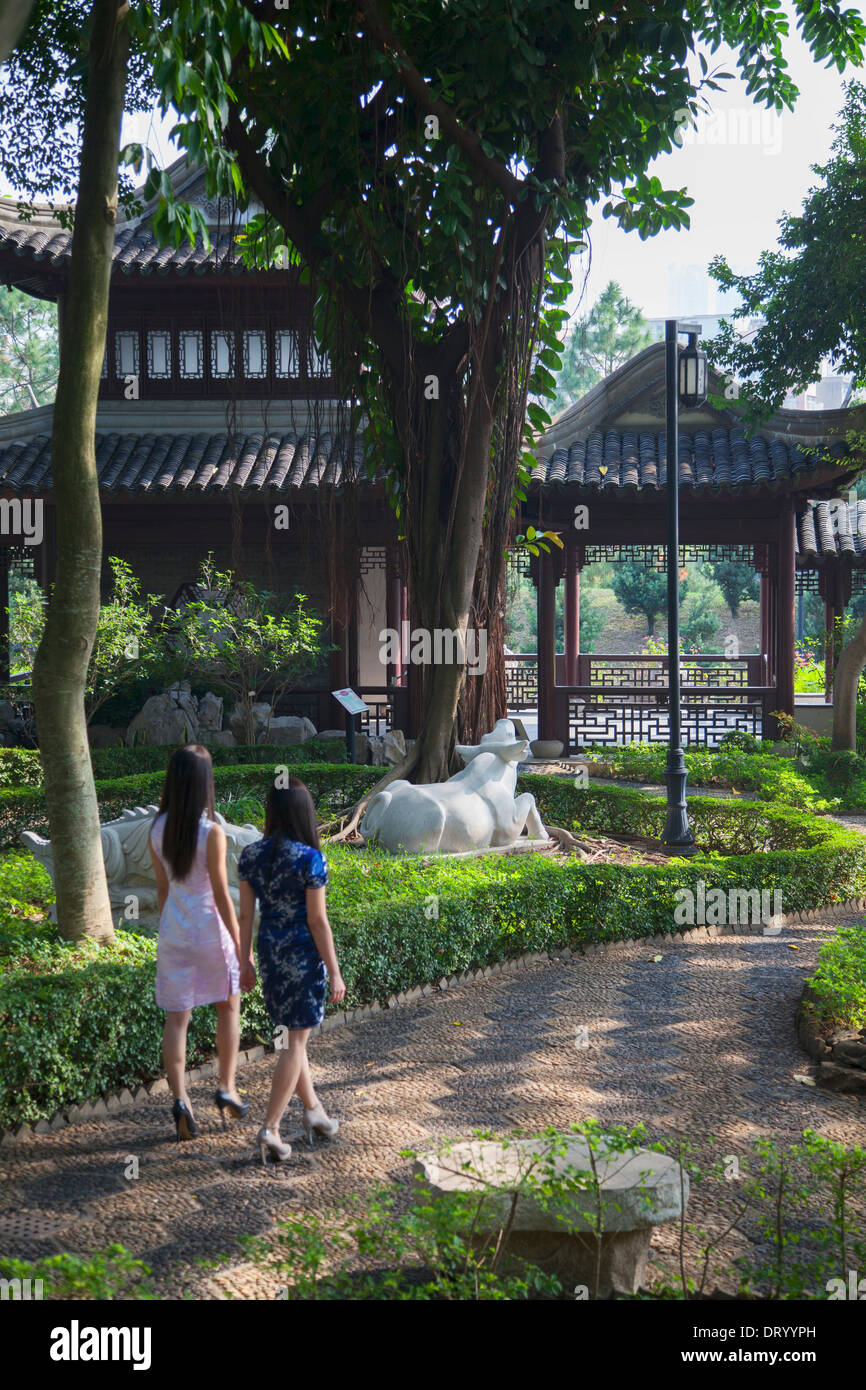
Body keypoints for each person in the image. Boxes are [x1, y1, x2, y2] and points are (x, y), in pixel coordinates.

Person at [238, 777, 346, 1164]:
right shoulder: (309, 859)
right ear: (304, 814)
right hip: (302, 959)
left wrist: (244, 959)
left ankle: (314, 1111)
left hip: (270, 957)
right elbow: (318, 921)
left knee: (292, 1038)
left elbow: (246, 916)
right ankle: (270, 1129)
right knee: (293, 1044)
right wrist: (334, 971)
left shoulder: (251, 855)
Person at [149, 744, 248, 1141]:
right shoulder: (212, 832)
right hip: (211, 932)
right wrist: (242, 947)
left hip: (175, 933)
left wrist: (171, 925)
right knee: (228, 1007)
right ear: (205, 784)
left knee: (177, 1020)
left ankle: (181, 1101)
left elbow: (161, 891)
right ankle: (226, 1086)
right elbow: (223, 896)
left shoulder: (155, 829)